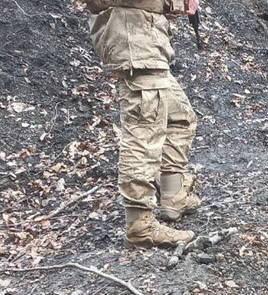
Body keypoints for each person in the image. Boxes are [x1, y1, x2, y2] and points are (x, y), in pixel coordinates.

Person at [86, 0, 202, 248]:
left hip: (147, 39)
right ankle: (140, 226)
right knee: (143, 134)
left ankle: (173, 195)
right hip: (133, 39)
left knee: (179, 117)